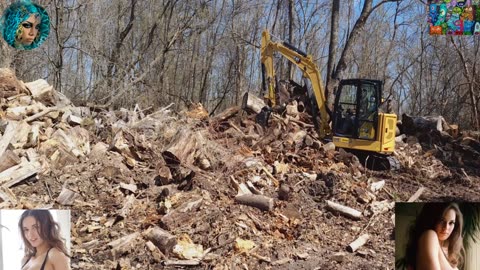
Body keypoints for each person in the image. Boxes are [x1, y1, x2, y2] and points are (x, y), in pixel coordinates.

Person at [405, 203, 464, 270]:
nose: (446, 227)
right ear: (431, 219)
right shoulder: (430, 235)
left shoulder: (447, 250)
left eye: (451, 223)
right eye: (441, 221)